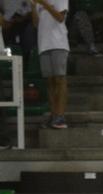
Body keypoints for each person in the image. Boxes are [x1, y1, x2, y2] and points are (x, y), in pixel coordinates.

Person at [31, 0, 68, 130]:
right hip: (43, 45)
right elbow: (36, 24)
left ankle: (61, 115)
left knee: (60, 79)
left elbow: (60, 18)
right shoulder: (37, 3)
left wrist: (44, 4)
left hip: (58, 43)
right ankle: (53, 116)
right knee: (49, 82)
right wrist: (33, 7)